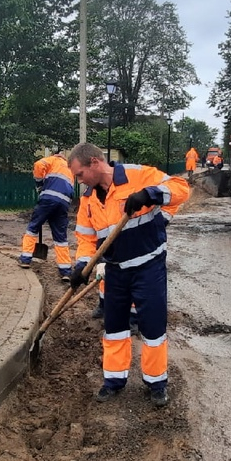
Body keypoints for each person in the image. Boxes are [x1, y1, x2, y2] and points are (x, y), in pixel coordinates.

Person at [67, 142, 189, 407]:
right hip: (115, 273)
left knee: (153, 328)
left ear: (94, 163)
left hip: (148, 267)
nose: (78, 181)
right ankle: (114, 381)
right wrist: (82, 266)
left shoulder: (137, 175)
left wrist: (151, 194)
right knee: (115, 329)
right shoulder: (88, 199)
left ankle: (156, 384)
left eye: (79, 174)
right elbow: (87, 238)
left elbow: (181, 188)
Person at [19, 147, 75, 280]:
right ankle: (65, 270)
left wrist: (39, 184)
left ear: (55, 155)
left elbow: (38, 165)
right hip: (64, 204)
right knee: (60, 237)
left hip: (48, 199)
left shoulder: (52, 160)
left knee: (33, 227)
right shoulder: (70, 169)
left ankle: (25, 259)